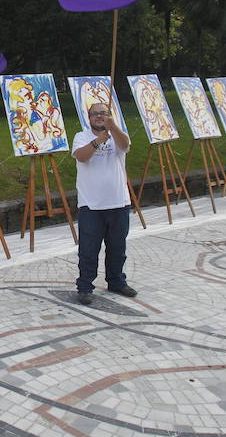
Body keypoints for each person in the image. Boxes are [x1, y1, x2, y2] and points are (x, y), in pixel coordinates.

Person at [71, 102, 137, 305]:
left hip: (118, 201)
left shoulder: (117, 134)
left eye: (103, 113)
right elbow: (81, 157)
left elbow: (125, 145)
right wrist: (98, 140)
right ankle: (85, 287)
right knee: (88, 249)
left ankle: (116, 281)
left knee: (117, 247)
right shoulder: (81, 136)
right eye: (95, 114)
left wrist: (113, 127)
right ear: (88, 118)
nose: (99, 117)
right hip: (91, 205)